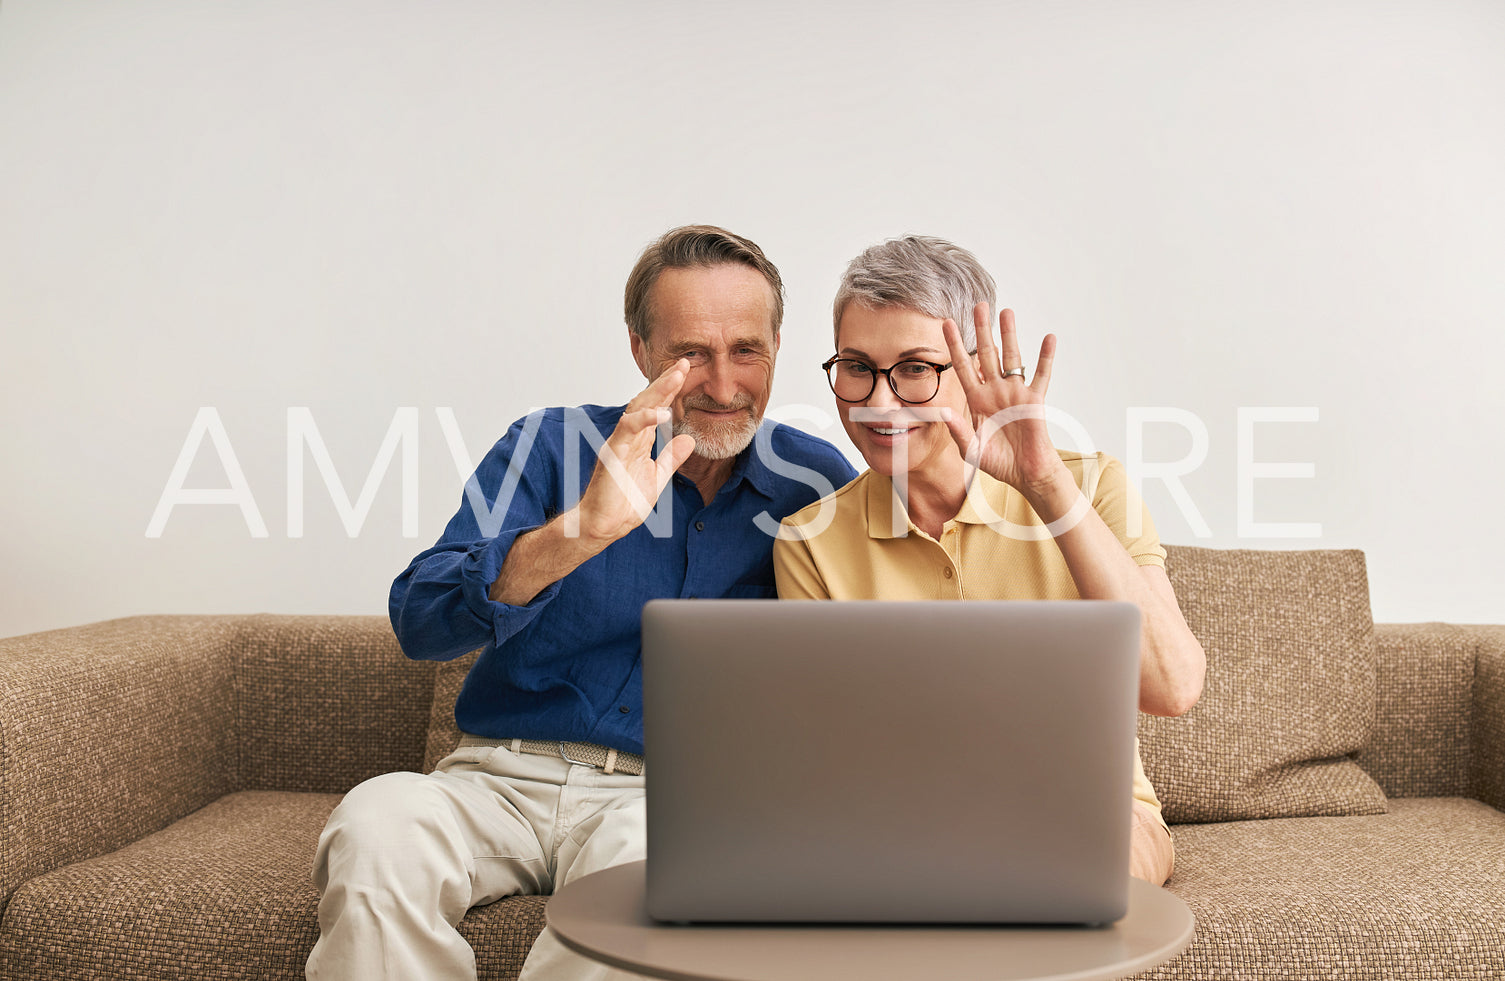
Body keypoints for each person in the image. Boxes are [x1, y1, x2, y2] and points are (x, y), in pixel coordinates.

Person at [307, 225, 857, 981]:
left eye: (746, 350)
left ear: (778, 344)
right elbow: (420, 621)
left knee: (653, 876)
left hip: (663, 803)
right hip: (496, 779)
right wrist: (581, 530)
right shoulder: (548, 445)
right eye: (690, 353)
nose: (724, 386)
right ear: (640, 350)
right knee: (375, 823)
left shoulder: (814, 481)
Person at [772, 235, 1206, 886]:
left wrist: (1042, 482)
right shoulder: (809, 539)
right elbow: (836, 754)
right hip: (903, 822)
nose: (878, 402)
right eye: (857, 365)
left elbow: (1170, 687)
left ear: (974, 369)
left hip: (1090, 816)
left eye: (915, 367)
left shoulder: (1089, 487)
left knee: (1063, 871)